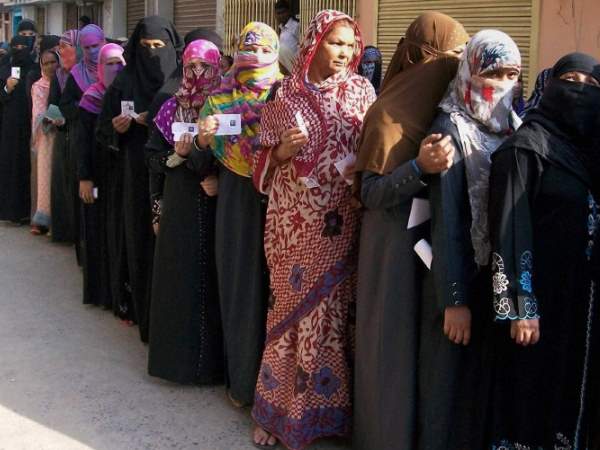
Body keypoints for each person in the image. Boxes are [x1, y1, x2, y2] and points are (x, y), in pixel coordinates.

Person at [250, 10, 376, 449]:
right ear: (314, 43)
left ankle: (329, 415)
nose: (343, 53)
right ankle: (276, 414)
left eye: (350, 45)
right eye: (335, 43)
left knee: (334, 313)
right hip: (293, 224)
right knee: (288, 314)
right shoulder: (286, 92)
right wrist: (281, 152)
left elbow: (375, 147)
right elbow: (260, 164)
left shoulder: (362, 91)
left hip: (343, 221)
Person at [353, 12, 469, 450]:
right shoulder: (389, 116)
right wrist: (419, 167)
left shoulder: (450, 112)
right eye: (453, 55)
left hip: (433, 246)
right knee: (391, 349)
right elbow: (370, 192)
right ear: (425, 56)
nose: (458, 65)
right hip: (392, 247)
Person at [487, 52, 600, 450]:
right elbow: (509, 231)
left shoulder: (589, 150)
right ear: (550, 85)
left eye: (591, 86)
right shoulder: (525, 148)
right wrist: (521, 307)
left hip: (580, 302)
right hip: (537, 305)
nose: (579, 92)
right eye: (570, 81)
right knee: (529, 395)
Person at [426, 29, 522, 450]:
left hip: (498, 275)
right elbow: (446, 217)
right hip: (465, 275)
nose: (502, 83)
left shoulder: (512, 124)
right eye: (493, 72)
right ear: (470, 71)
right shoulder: (451, 127)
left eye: (511, 74)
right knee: (455, 392)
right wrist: (455, 299)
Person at [195, 21, 281, 408]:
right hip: (236, 202)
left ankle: (277, 392)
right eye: (249, 49)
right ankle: (244, 384)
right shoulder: (219, 99)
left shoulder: (286, 94)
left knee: (279, 291)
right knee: (240, 289)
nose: (256, 58)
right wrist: (203, 139)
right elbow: (200, 164)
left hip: (282, 201)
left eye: (265, 50)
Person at [97, 16, 183, 342]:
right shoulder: (124, 83)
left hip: (175, 176)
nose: (152, 53)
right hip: (134, 174)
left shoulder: (182, 85)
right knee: (139, 237)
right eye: (146, 46)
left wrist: (161, 126)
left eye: (159, 46)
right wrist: (116, 129)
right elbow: (102, 131)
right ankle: (140, 309)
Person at [145, 39, 224, 384]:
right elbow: (151, 158)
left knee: (214, 282)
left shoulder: (227, 106)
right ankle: (176, 364)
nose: (198, 73)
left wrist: (219, 179)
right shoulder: (169, 108)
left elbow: (240, 157)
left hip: (217, 204)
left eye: (206, 66)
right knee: (180, 280)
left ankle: (214, 368)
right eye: (192, 66)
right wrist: (175, 157)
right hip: (180, 205)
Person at [77, 43, 126, 308]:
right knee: (96, 230)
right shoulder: (91, 98)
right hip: (96, 176)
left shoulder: (128, 94)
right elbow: (82, 142)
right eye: (109, 63)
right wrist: (84, 178)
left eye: (119, 62)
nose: (115, 68)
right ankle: (99, 293)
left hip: (120, 176)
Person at [60, 24, 105, 264]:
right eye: (87, 48)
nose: (92, 51)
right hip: (83, 141)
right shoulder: (77, 74)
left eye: (96, 46)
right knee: (88, 198)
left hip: (108, 148)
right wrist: (85, 108)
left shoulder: (114, 69)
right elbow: (65, 104)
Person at [0, 36, 35, 223]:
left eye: (23, 46)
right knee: (11, 166)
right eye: (16, 46)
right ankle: (11, 211)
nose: (20, 49)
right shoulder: (4, 70)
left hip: (30, 126)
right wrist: (7, 88)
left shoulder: (34, 69)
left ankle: (28, 211)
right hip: (10, 128)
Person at [48, 29, 79, 243]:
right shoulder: (59, 75)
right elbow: (53, 104)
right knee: (63, 183)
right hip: (64, 135)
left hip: (82, 134)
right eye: (59, 47)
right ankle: (64, 231)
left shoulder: (88, 73)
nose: (61, 51)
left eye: (65, 46)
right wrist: (58, 119)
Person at [30, 49, 60, 235]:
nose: (50, 66)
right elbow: (38, 113)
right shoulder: (38, 86)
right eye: (46, 63)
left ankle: (59, 222)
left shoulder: (64, 81)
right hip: (46, 138)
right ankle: (45, 221)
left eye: (53, 62)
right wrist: (50, 119)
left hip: (62, 135)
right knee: (45, 179)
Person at [274, 0, 299, 75]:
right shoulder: (282, 28)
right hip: (284, 66)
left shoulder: (296, 26)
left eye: (283, 12)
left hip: (295, 66)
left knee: (281, 49)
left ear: (288, 12)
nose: (281, 15)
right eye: (279, 13)